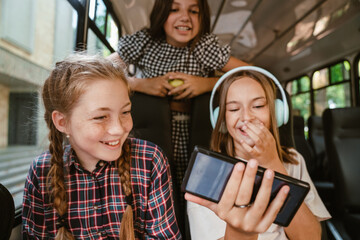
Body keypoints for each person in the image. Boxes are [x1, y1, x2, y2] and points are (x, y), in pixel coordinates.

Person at [108, 0, 249, 221]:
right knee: (156, 190)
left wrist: (207, 83)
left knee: (191, 192)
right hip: (150, 133)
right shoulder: (145, 42)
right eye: (174, 9)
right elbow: (100, 71)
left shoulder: (204, 47)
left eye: (193, 11)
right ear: (161, 14)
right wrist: (140, 84)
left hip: (197, 132)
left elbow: (248, 73)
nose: (185, 17)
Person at [22, 54, 181, 239]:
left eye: (125, 112)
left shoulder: (150, 159)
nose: (119, 129)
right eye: (100, 117)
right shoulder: (42, 172)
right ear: (62, 122)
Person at [186, 67, 331, 239]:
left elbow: (311, 237)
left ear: (276, 113)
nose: (246, 117)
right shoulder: (207, 172)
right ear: (222, 120)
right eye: (233, 109)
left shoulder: (293, 161)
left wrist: (272, 163)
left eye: (258, 106)